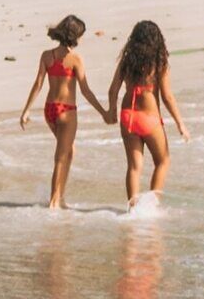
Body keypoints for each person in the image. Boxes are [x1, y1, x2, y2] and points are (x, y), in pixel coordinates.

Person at [19, 15, 110, 210]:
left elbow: (38, 84)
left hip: (50, 109)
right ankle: (54, 202)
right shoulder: (75, 59)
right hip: (67, 112)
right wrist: (103, 112)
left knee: (69, 151)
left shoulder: (46, 55)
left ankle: (60, 196)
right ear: (75, 36)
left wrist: (26, 110)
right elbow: (85, 90)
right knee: (61, 156)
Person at [110, 19, 186, 210]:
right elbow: (167, 97)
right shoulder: (159, 63)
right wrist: (180, 123)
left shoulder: (126, 62)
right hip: (149, 119)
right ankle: (152, 207)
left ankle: (133, 210)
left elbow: (113, 90)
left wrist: (111, 111)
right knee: (163, 160)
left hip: (128, 117)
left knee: (134, 167)